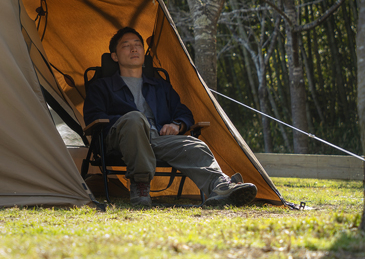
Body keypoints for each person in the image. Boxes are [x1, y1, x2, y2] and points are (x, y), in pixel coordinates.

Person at [83, 27, 257, 207]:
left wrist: (177, 125)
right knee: (134, 119)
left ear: (143, 52)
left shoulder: (159, 86)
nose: (134, 49)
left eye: (137, 45)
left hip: (157, 139)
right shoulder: (101, 86)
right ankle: (140, 184)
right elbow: (94, 119)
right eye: (126, 46)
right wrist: (130, 124)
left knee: (195, 144)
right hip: (120, 141)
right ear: (115, 56)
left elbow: (183, 113)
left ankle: (220, 187)